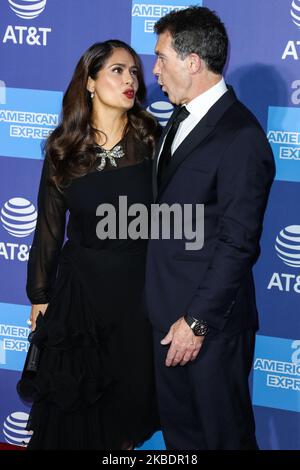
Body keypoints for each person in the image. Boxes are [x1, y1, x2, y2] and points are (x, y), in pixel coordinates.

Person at [17, 40, 160, 450]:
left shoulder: (153, 142)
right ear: (90, 82)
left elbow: (176, 221)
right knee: (77, 413)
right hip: (80, 299)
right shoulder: (64, 148)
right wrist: (40, 296)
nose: (130, 79)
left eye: (134, 71)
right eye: (117, 70)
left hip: (139, 298)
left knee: (126, 413)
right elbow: (47, 228)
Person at [145, 6, 275, 450]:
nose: (155, 70)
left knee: (222, 439)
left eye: (162, 57)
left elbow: (238, 243)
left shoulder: (241, 136)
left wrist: (195, 322)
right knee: (181, 440)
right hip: (165, 321)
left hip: (209, 330)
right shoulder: (175, 122)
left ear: (193, 61)